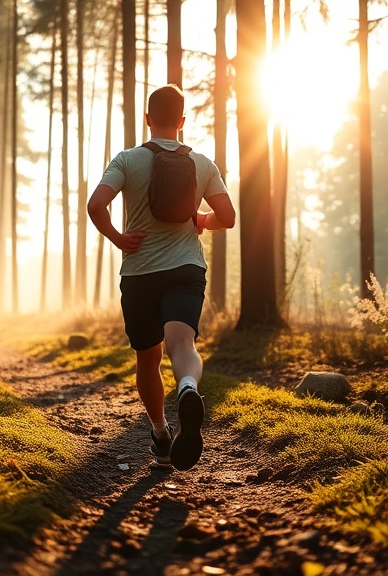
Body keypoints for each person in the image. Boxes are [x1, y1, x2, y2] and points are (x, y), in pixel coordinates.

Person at [87, 84, 236, 470]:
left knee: (148, 358)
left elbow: (96, 205)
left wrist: (119, 238)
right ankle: (188, 388)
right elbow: (228, 217)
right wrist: (201, 219)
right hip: (187, 268)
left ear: (149, 119)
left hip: (140, 273)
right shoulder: (203, 163)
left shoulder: (127, 160)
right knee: (182, 343)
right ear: (182, 122)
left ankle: (161, 433)